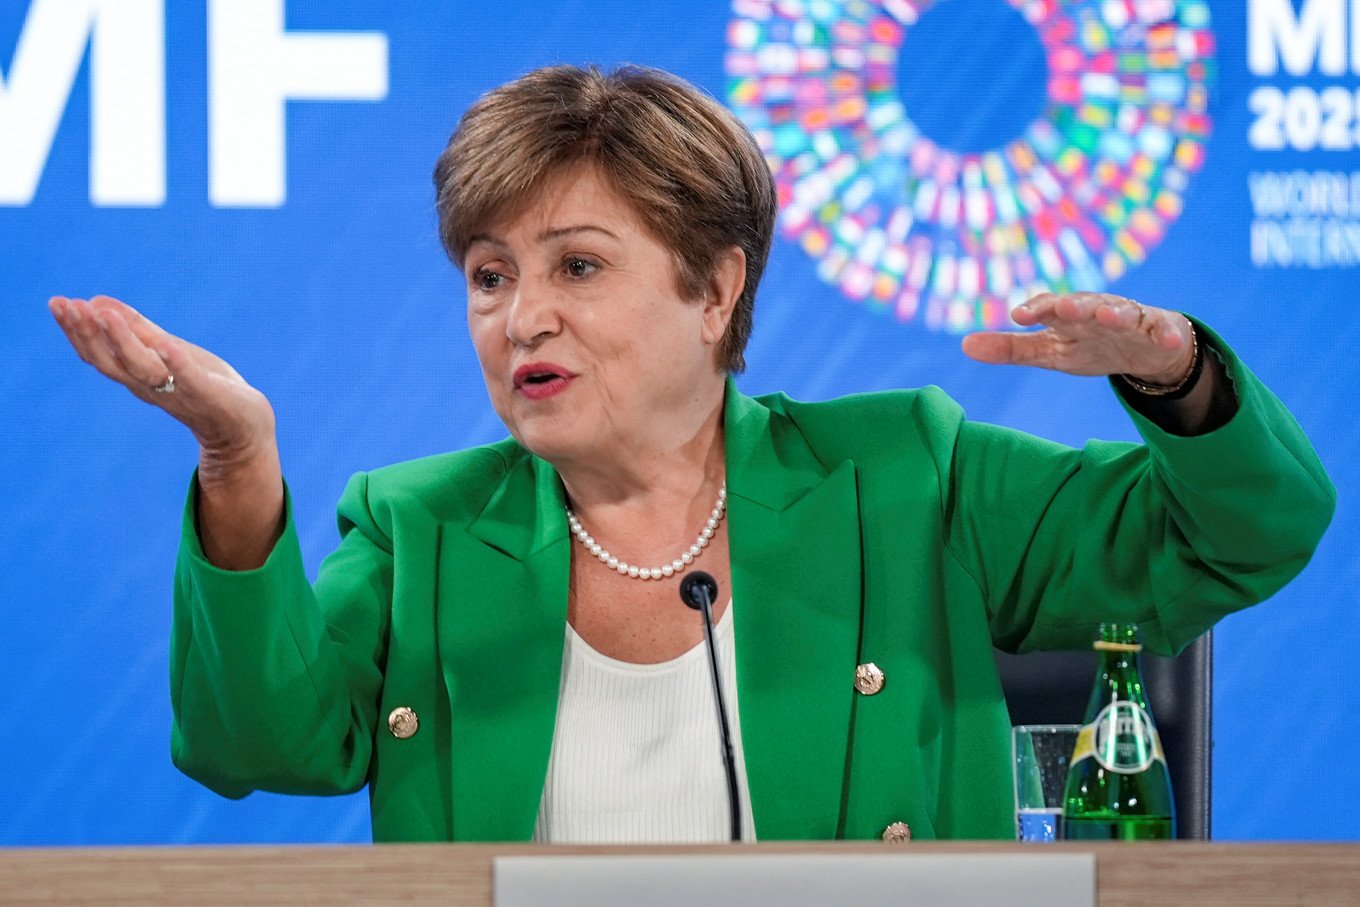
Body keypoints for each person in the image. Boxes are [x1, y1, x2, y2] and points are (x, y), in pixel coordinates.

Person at [49, 64, 1334, 844]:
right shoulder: (421, 525)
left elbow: (1242, 534)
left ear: (715, 289)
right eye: (488, 274)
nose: (519, 316)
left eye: (578, 265)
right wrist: (236, 463)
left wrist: (1178, 375)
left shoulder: (907, 474)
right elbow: (253, 745)